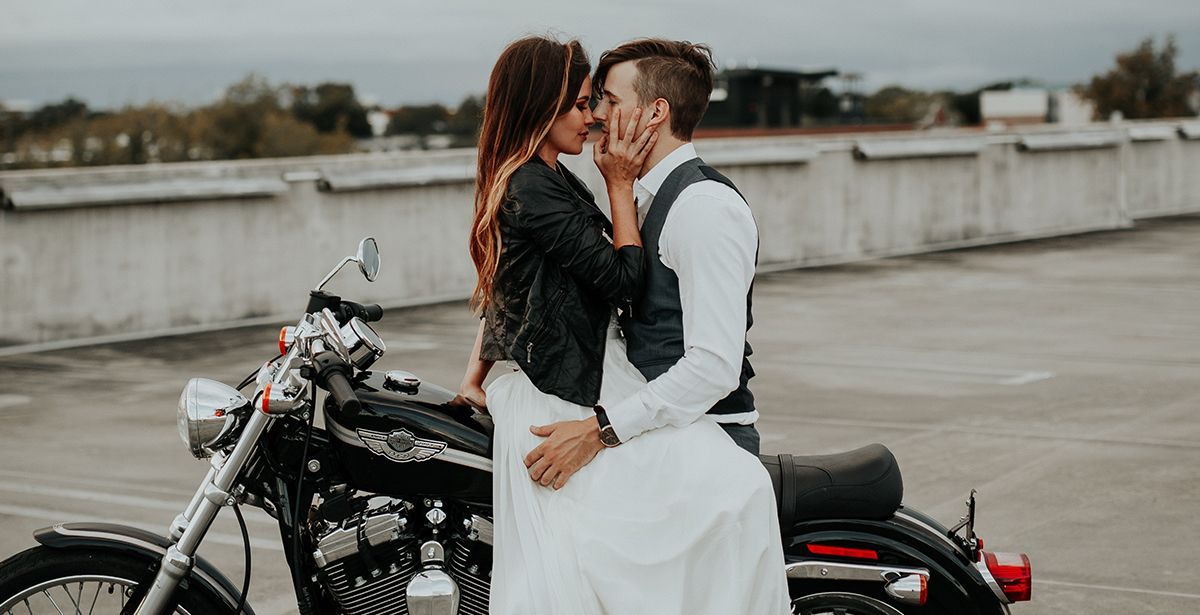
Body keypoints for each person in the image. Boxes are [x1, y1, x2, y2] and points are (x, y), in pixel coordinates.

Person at [457, 36, 789, 614]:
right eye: (590, 102)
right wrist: (480, 366)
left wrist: (599, 430)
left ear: (655, 112)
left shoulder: (702, 208)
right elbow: (529, 283)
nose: (597, 116)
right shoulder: (635, 196)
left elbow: (714, 364)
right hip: (637, 412)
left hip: (694, 426)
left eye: (607, 100)